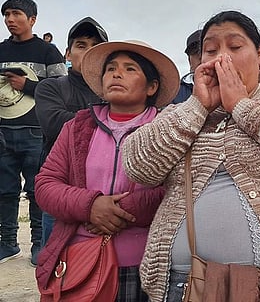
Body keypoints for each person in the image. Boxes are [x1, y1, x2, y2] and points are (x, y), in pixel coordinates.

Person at [122, 11, 260, 302]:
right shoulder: (183, 112)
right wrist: (198, 106)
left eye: (235, 47)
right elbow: (137, 165)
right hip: (182, 285)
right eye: (210, 50)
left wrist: (242, 106)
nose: (222, 58)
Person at [34, 39, 180, 301]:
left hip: (146, 265)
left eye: (130, 68)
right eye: (110, 68)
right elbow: (46, 184)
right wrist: (90, 205)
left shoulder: (167, 129)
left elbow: (178, 189)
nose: (117, 73)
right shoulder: (77, 128)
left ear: (152, 86)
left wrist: (118, 211)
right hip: (81, 260)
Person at [0, 0, 66, 266]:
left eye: (16, 14)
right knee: (4, 190)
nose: (10, 20)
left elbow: (63, 91)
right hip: (3, 131)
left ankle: (40, 243)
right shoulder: (0, 50)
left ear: (32, 20)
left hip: (37, 132)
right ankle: (7, 243)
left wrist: (26, 84)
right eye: (6, 15)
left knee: (37, 190)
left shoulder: (48, 52)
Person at [35, 16, 109, 245]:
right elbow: (54, 125)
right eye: (81, 46)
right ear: (67, 54)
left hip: (108, 200)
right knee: (57, 273)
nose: (88, 52)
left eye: (96, 47)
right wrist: (111, 119)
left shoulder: (115, 90)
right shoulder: (50, 87)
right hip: (61, 199)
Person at [172, 29, 202, 103]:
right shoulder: (174, 92)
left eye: (210, 51)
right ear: (189, 60)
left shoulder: (233, 85)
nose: (201, 56)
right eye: (195, 52)